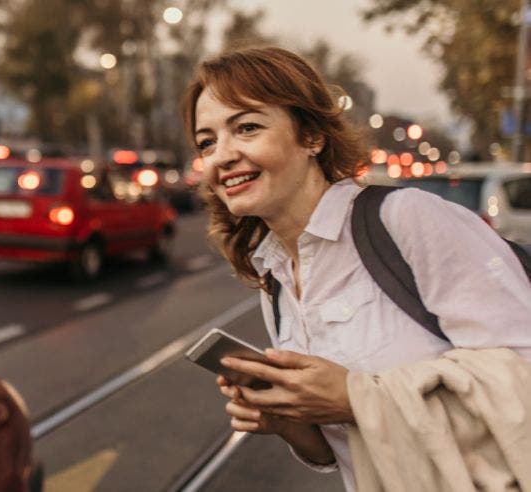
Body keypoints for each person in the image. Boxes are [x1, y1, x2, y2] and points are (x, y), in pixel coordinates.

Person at [182, 46, 531, 491]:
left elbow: (524, 375)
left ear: (312, 137)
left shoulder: (406, 220)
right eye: (207, 142)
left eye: (247, 128)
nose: (222, 156)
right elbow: (344, 451)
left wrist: (355, 397)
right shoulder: (275, 276)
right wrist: (293, 422)